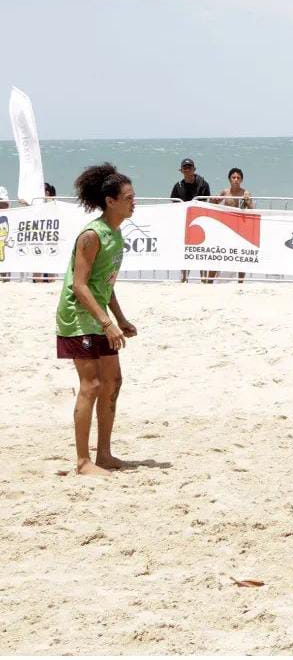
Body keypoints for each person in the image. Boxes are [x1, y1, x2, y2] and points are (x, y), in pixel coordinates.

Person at [55, 163, 138, 475]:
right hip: (78, 317)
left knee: (113, 382)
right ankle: (82, 461)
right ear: (110, 201)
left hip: (98, 314)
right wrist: (107, 323)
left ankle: (104, 454)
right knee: (91, 384)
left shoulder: (116, 234)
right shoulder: (92, 235)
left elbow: (105, 284)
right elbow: (79, 286)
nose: (134, 202)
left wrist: (120, 318)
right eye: (128, 198)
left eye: (134, 197)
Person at [170, 158, 210, 283]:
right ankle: (184, 278)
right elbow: (173, 204)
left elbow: (207, 202)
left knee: (201, 250)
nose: (187, 170)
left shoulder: (203, 184)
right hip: (184, 223)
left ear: (194, 169)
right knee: (184, 250)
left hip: (200, 222)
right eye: (185, 167)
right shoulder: (178, 186)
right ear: (181, 170)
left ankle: (203, 278)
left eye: (189, 167)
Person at [214, 167, 255, 282]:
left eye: (238, 178)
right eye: (233, 177)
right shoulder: (225, 192)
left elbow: (252, 210)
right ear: (229, 179)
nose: (236, 180)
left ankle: (240, 282)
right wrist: (213, 199)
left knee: (241, 255)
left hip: (240, 228)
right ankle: (210, 281)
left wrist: (247, 201)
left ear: (241, 180)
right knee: (217, 252)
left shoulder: (245, 193)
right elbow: (213, 203)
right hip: (226, 226)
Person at [33, 183, 59, 284]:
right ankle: (37, 284)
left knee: (51, 262)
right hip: (39, 237)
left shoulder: (53, 203)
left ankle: (50, 283)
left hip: (51, 237)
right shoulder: (37, 205)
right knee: (37, 261)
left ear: (47, 192)